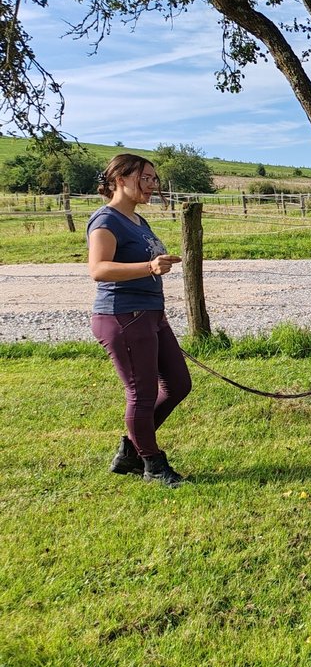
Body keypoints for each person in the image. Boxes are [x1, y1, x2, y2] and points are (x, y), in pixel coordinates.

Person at [87, 154, 191, 487]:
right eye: (145, 178)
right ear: (120, 179)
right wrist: (149, 267)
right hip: (122, 315)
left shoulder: (138, 222)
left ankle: (131, 451)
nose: (152, 185)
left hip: (150, 315)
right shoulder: (106, 220)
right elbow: (98, 269)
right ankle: (153, 465)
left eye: (154, 179)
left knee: (178, 384)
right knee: (141, 395)